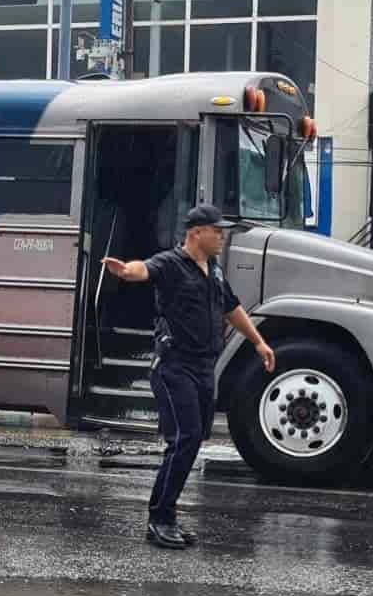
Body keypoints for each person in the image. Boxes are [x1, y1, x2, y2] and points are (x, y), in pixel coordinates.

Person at [102, 204, 276, 549]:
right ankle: (159, 520)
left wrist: (259, 342)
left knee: (192, 442)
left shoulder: (213, 269)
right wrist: (126, 272)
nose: (222, 237)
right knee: (183, 440)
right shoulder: (170, 263)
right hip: (174, 367)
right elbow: (143, 270)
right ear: (197, 232)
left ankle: (167, 516)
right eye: (217, 230)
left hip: (203, 367)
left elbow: (231, 308)